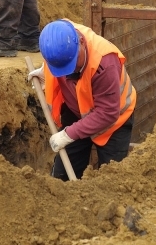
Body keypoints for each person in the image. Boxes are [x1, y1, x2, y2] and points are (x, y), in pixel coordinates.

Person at [27, 19, 136, 181]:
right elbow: (58, 58)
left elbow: (107, 113)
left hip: (114, 121)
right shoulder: (57, 38)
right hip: (76, 110)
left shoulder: (104, 63)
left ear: (82, 42)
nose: (69, 72)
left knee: (112, 180)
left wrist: (68, 134)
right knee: (61, 178)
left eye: (71, 63)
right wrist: (46, 71)